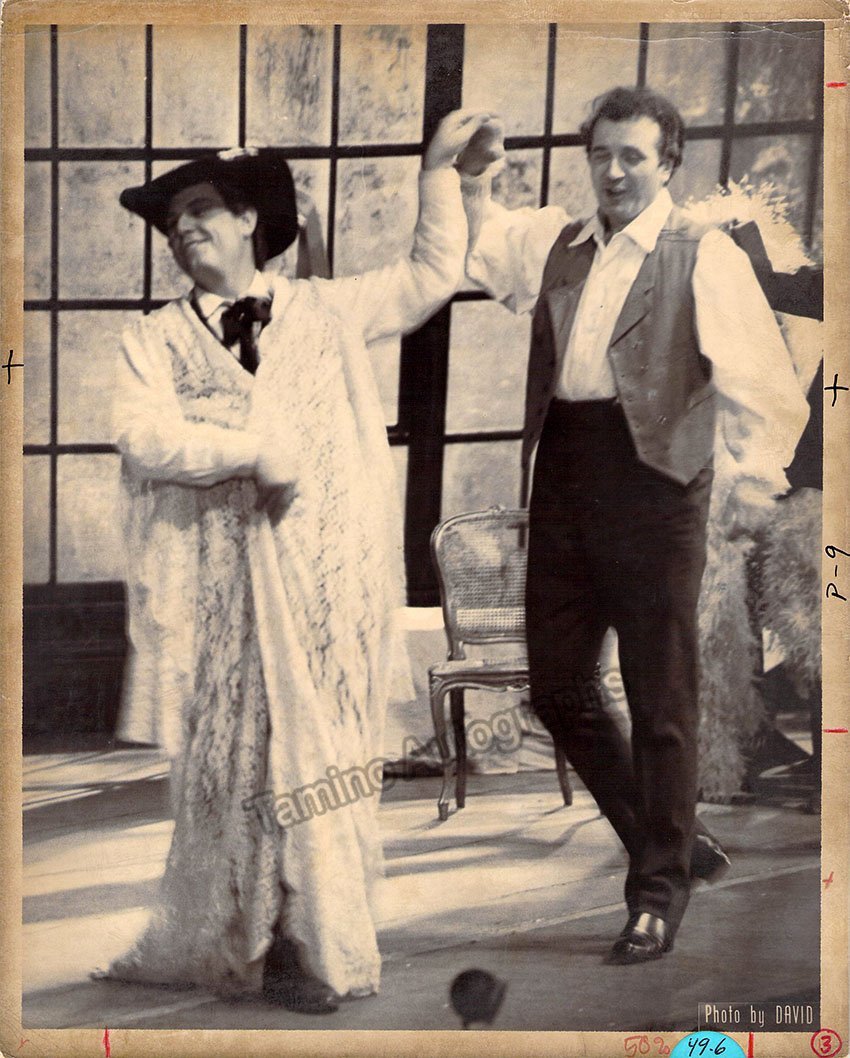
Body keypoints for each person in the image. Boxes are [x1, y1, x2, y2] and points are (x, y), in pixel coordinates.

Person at [103, 110, 487, 1011]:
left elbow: (429, 276)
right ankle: (253, 935)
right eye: (171, 222)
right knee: (235, 765)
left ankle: (311, 936)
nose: (182, 230)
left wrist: (441, 173)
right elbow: (140, 434)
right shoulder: (152, 339)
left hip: (325, 584)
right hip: (217, 591)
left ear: (250, 220)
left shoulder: (327, 310)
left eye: (200, 209)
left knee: (321, 760)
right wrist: (249, 451)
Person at [454, 86, 809, 964]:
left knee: (661, 701)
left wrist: (749, 485)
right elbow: (485, 255)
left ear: (668, 164)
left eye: (633, 157)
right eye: (601, 155)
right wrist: (472, 182)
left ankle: (655, 893)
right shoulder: (562, 244)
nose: (613, 172)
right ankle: (675, 843)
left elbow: (766, 385)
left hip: (657, 486)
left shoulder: (703, 253)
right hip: (566, 472)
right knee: (557, 689)